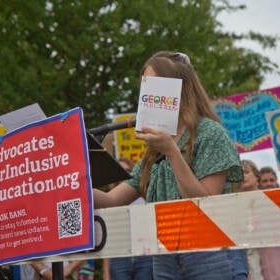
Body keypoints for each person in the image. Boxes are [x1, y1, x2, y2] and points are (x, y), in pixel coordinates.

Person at [94, 51, 247, 279]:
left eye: (154, 85)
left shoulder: (209, 133)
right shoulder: (153, 149)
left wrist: (172, 152)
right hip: (164, 255)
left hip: (210, 253)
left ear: (179, 89)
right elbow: (111, 200)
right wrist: (71, 184)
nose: (147, 94)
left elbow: (204, 204)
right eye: (145, 86)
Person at [240, 160, 280, 280]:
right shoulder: (232, 204)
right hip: (251, 266)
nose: (242, 176)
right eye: (238, 174)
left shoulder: (274, 200)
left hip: (277, 263)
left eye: (246, 172)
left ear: (257, 177)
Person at [102, 157, 153, 280]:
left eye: (127, 170)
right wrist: (105, 270)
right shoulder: (107, 202)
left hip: (144, 255)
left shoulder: (143, 198)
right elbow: (108, 240)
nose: (123, 174)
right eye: (119, 171)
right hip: (118, 257)